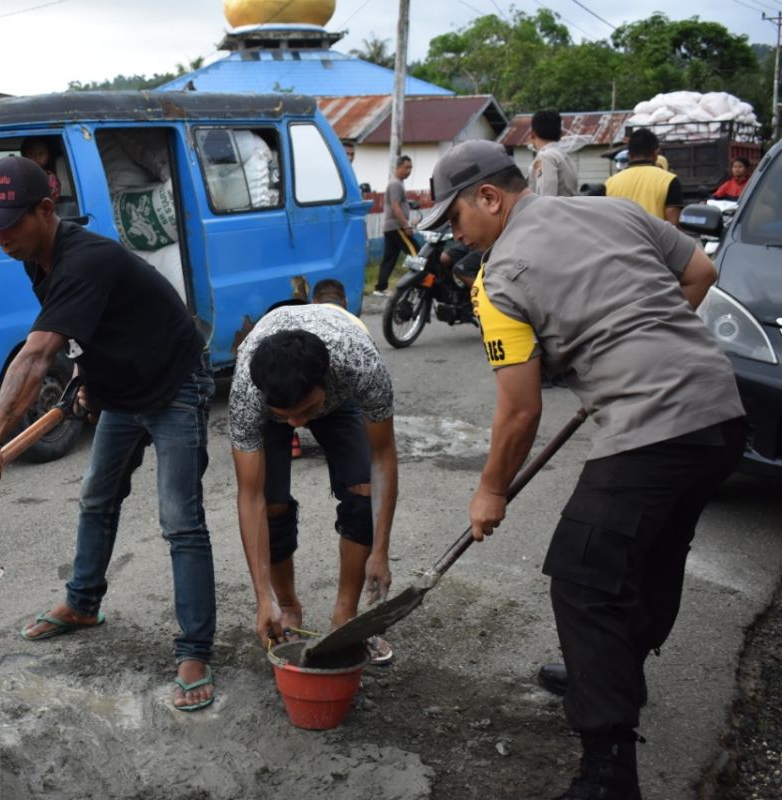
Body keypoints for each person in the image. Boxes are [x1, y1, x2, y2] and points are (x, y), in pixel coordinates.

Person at [418, 139, 745, 799]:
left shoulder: (499, 276)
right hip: (721, 413)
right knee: (650, 554)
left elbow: (519, 411)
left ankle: (607, 773)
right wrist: (643, 340)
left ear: (490, 196)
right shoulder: (608, 212)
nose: (454, 235)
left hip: (652, 427)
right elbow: (701, 274)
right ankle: (611, 670)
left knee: (581, 577)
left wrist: (490, 491)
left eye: (455, 218)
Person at [0, 156, 218, 712]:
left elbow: (36, 356)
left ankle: (195, 649)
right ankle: (83, 603)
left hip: (175, 385)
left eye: (9, 225)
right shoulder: (36, 257)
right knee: (97, 499)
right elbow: (86, 328)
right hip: (121, 390)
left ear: (46, 210)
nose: (0, 238)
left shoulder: (85, 260)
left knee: (181, 521)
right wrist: (86, 377)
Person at [228, 304, 399, 664]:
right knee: (272, 502)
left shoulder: (359, 364)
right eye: (285, 416)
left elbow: (383, 456)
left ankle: (345, 617)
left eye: (305, 411)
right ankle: (288, 606)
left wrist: (380, 551)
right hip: (275, 395)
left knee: (362, 489)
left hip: (340, 400)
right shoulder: (248, 389)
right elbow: (250, 495)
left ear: (327, 379)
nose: (296, 425)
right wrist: (263, 599)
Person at [604, 128, 685, 226]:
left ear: (629, 155)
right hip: (654, 241)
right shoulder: (669, 180)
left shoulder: (610, 183)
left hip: (620, 240)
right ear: (656, 153)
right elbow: (673, 226)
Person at [373, 155, 414, 296]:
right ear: (398, 167)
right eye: (406, 167)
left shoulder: (397, 183)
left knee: (389, 259)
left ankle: (380, 288)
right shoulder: (396, 183)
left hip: (389, 228)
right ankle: (417, 282)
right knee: (415, 253)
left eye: (411, 168)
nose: (409, 171)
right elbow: (396, 207)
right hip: (397, 227)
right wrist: (406, 226)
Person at [527, 110, 578, 197]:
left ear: (532, 135)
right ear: (561, 134)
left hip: (553, 210)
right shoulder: (565, 156)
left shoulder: (545, 157)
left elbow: (546, 198)